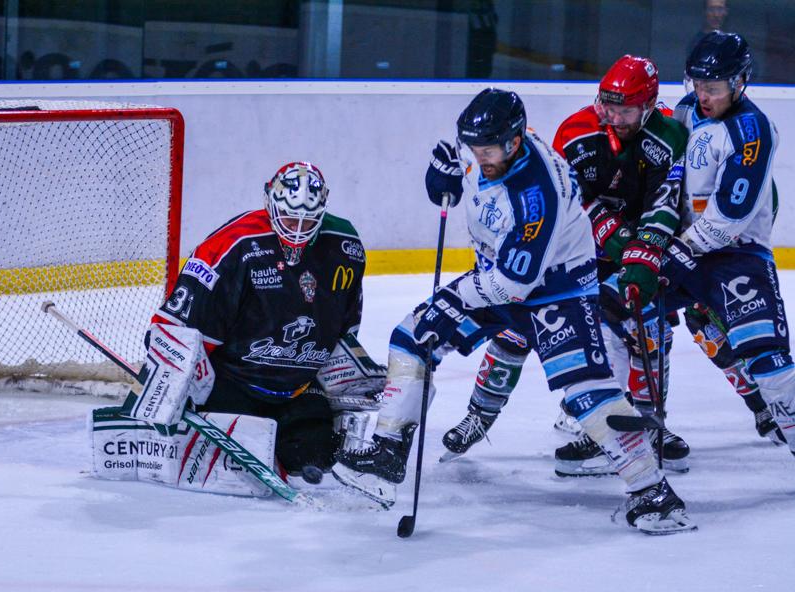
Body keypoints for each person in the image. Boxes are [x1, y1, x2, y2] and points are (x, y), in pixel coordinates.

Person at [332, 88, 696, 534]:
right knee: (412, 338)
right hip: (501, 279)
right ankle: (388, 455)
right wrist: (445, 181)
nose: (479, 155)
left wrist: (458, 296)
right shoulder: (499, 149)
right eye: (474, 148)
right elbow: (474, 178)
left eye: (485, 149)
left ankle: (652, 492)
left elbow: (515, 282)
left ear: (514, 139)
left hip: (557, 291)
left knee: (587, 392)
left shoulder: (535, 192)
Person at [440, 55, 780, 476]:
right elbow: (565, 196)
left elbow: (666, 202)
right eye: (606, 104)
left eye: (625, 109)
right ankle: (480, 416)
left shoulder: (671, 135)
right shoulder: (576, 131)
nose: (612, 116)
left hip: (640, 250)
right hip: (569, 252)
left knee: (649, 329)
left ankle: (642, 427)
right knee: (516, 330)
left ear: (650, 106)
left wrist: (642, 249)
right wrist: (610, 231)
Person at [121, 161, 384, 487]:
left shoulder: (346, 246)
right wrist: (177, 390)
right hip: (233, 386)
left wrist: (349, 381)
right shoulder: (235, 245)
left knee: (317, 455)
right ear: (270, 203)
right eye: (289, 218)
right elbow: (172, 329)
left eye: (308, 221)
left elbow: (345, 331)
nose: (298, 231)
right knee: (235, 458)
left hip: (297, 388)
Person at [623, 31, 795, 457]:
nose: (703, 95)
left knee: (767, 361)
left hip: (737, 257)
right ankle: (641, 419)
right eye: (697, 85)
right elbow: (668, 171)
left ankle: (777, 413)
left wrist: (682, 249)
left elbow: (731, 214)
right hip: (686, 249)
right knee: (624, 307)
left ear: (740, 83)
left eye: (713, 88)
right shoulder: (686, 110)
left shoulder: (752, 129)